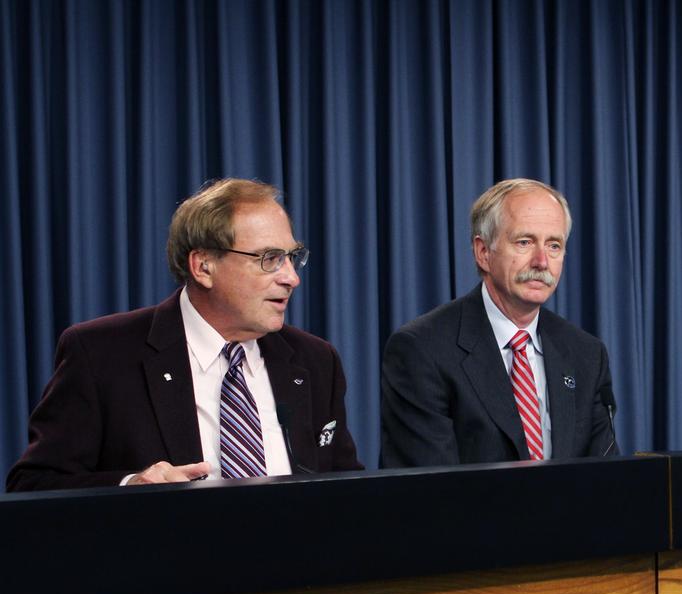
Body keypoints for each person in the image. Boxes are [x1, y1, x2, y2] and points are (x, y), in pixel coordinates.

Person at [7, 178, 362, 491]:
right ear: (203, 266)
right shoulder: (100, 354)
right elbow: (34, 485)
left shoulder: (314, 360)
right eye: (269, 259)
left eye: (291, 257)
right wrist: (131, 485)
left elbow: (347, 488)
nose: (291, 277)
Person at [381, 178, 616, 467]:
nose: (542, 261)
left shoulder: (587, 354)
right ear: (483, 253)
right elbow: (431, 493)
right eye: (524, 242)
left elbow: (603, 478)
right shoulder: (422, 350)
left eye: (554, 245)